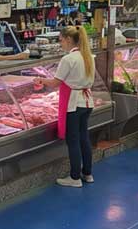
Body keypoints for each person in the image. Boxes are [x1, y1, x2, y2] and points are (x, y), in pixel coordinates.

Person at [34, 26, 95, 188]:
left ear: (68, 39)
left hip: (73, 103)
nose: (60, 44)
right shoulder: (88, 56)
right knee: (84, 138)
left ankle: (75, 177)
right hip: (87, 102)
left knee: (73, 140)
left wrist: (41, 80)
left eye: (61, 40)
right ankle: (87, 173)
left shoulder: (68, 59)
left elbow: (55, 82)